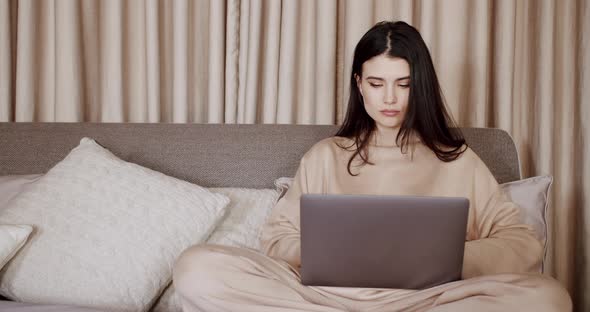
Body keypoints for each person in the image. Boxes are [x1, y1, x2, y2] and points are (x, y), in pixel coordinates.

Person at [173, 21, 572, 312]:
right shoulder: (326, 156)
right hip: (327, 299)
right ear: (359, 83)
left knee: (549, 297)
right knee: (198, 267)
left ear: (421, 86)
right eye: (377, 83)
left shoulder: (458, 159)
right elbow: (278, 239)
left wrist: (447, 259)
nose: (390, 98)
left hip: (429, 300)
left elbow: (522, 243)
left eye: (403, 83)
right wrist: (337, 255)